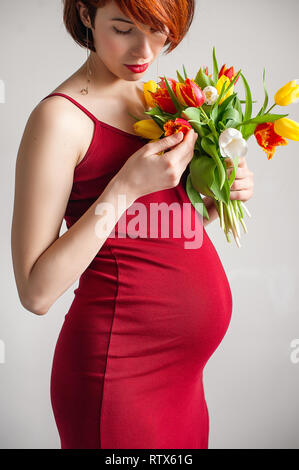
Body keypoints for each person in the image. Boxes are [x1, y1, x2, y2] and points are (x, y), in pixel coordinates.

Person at [11, 0, 254, 449]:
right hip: (118, 373)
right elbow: (35, 292)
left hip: (185, 381)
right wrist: (124, 188)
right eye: (123, 29)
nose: (145, 50)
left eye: (159, 30)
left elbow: (160, 228)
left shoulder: (157, 96)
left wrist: (218, 194)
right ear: (86, 15)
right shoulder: (60, 119)